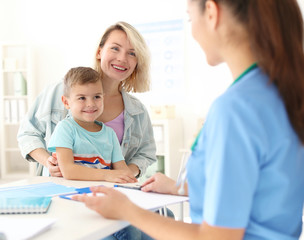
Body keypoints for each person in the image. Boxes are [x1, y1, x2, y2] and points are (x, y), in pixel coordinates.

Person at [73, 0, 304, 239]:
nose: (192, 29)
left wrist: (127, 210)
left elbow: (217, 237)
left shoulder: (235, 110)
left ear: (212, 13)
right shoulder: (279, 94)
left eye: (190, 17)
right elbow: (260, 189)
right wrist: (179, 187)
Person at [17, 21, 156, 178]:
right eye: (115, 48)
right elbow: (28, 134)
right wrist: (47, 161)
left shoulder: (137, 111)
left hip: (110, 192)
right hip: (61, 190)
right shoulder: (60, 91)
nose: (122, 58)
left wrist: (124, 174)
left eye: (132, 53)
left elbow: (145, 153)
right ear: (99, 52)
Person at [47, 67, 137, 183]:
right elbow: (68, 171)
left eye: (97, 97)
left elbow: (122, 169)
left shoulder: (110, 134)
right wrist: (107, 175)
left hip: (98, 193)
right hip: (67, 193)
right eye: (82, 98)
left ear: (103, 98)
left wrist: (133, 182)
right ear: (66, 102)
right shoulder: (65, 128)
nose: (90, 104)